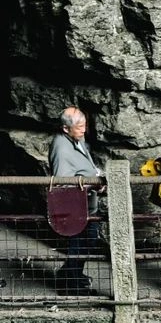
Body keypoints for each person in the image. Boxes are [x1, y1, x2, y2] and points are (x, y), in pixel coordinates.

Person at [48, 107, 103, 296]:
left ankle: (70, 274)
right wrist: (92, 184)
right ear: (65, 128)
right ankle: (70, 285)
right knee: (79, 244)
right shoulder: (61, 149)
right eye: (79, 127)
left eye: (84, 125)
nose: (83, 130)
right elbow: (64, 184)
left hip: (88, 204)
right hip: (76, 208)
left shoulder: (77, 138)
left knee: (89, 241)